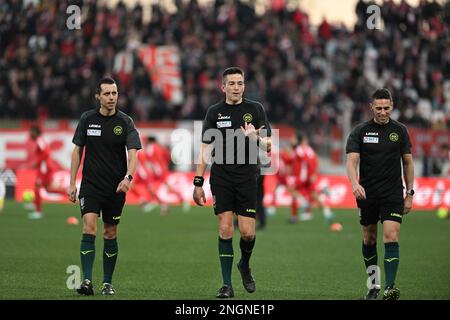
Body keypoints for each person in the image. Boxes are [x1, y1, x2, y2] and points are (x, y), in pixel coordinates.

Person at [193, 67, 272, 298]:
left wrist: (255, 137)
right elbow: (206, 149)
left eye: (240, 83)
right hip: (222, 177)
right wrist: (198, 182)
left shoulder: (255, 109)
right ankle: (226, 285)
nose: (237, 87)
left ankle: (244, 264)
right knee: (226, 229)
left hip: (247, 177)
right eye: (232, 83)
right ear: (223, 87)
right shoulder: (215, 113)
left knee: (247, 233)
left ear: (244, 86)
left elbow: (268, 145)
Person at [68, 77, 142, 296]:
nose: (112, 98)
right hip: (91, 185)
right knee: (89, 227)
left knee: (110, 233)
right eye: (107, 94)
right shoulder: (87, 119)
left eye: (115, 93)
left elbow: (133, 154)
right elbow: (77, 151)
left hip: (115, 188)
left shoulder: (125, 121)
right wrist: (72, 182)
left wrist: (128, 178)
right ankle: (87, 281)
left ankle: (107, 283)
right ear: (97, 96)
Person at [346, 88, 414, 300]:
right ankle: (373, 285)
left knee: (391, 236)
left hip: (393, 194)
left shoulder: (400, 131)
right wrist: (354, 183)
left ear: (392, 106)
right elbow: (351, 161)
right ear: (371, 107)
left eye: (386, 108)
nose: (383, 112)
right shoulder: (360, 131)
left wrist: (410, 193)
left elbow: (408, 163)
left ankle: (389, 288)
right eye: (379, 108)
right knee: (369, 238)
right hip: (367, 194)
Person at [287, 131, 337, 227]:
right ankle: (327, 212)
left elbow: (307, 161)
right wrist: (314, 173)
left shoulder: (299, 150)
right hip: (308, 176)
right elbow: (315, 160)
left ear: (298, 140)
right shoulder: (309, 149)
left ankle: (303, 203)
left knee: (291, 189)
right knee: (314, 195)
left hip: (302, 176)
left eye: (293, 138)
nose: (291, 140)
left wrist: (311, 173)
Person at [27, 125, 66, 220]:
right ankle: (35, 204)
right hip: (45, 167)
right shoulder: (40, 140)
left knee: (38, 186)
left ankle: (38, 212)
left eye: (31, 132)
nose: (30, 134)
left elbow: (46, 153)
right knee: (47, 188)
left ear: (36, 132)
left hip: (45, 168)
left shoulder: (40, 141)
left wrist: (37, 163)